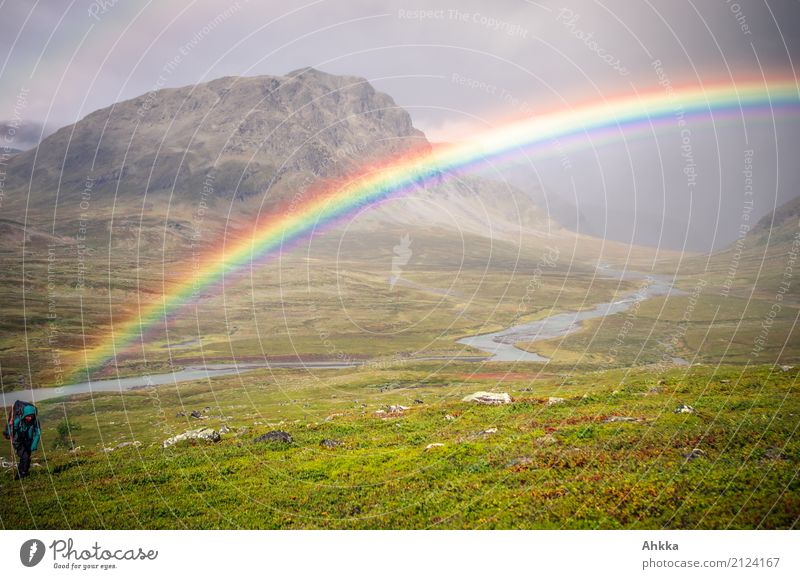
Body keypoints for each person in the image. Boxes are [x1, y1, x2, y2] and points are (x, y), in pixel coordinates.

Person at [3, 401, 41, 479]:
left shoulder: (35, 421)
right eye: (28, 416)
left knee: (26, 458)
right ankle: (22, 474)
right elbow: (12, 430)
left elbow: (38, 432)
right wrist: (12, 426)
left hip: (28, 441)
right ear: (25, 414)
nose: (30, 418)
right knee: (25, 457)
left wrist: (34, 443)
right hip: (18, 441)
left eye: (32, 416)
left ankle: (21, 474)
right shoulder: (17, 420)